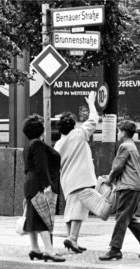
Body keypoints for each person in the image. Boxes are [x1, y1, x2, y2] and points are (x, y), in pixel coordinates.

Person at [99, 120, 140, 261]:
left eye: (119, 131)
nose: (118, 133)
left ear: (123, 132)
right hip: (135, 186)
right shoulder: (132, 146)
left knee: (121, 217)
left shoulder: (124, 146)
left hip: (127, 186)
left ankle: (115, 249)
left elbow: (118, 167)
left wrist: (109, 179)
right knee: (128, 218)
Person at [54, 91, 99, 254]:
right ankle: (72, 239)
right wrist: (91, 103)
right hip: (82, 179)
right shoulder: (80, 134)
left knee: (70, 211)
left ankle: (72, 239)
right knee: (78, 210)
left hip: (67, 181)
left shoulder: (58, 144)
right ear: (73, 124)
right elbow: (94, 120)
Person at [22, 114, 65, 263]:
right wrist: (47, 186)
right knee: (43, 218)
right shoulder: (38, 144)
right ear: (40, 130)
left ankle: (35, 249)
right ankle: (49, 251)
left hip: (29, 183)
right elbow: (41, 167)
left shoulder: (28, 145)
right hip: (38, 184)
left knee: (32, 218)